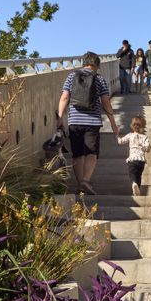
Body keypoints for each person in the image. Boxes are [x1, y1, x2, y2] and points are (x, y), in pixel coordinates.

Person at [56, 51, 121, 195]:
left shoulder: (72, 76)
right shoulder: (99, 79)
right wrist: (113, 123)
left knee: (77, 153)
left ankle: (80, 185)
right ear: (96, 64)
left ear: (84, 63)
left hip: (74, 121)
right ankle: (86, 180)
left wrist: (60, 117)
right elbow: (106, 103)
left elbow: (64, 98)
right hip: (92, 121)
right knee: (92, 152)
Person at [118, 115, 151, 196]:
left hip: (132, 159)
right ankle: (137, 189)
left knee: (132, 173)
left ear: (132, 126)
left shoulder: (130, 135)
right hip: (141, 160)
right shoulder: (144, 137)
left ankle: (134, 184)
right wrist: (145, 148)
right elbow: (147, 147)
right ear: (143, 127)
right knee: (139, 175)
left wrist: (117, 136)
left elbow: (121, 142)